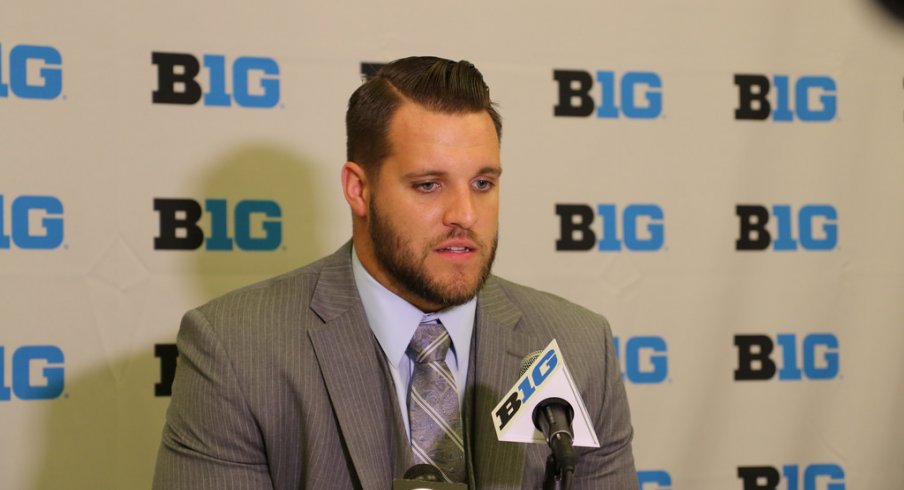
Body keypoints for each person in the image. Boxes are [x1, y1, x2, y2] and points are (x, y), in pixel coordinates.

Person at [153, 56, 638, 490]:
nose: (465, 215)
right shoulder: (236, 349)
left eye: (483, 183)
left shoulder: (577, 346)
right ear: (359, 189)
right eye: (429, 185)